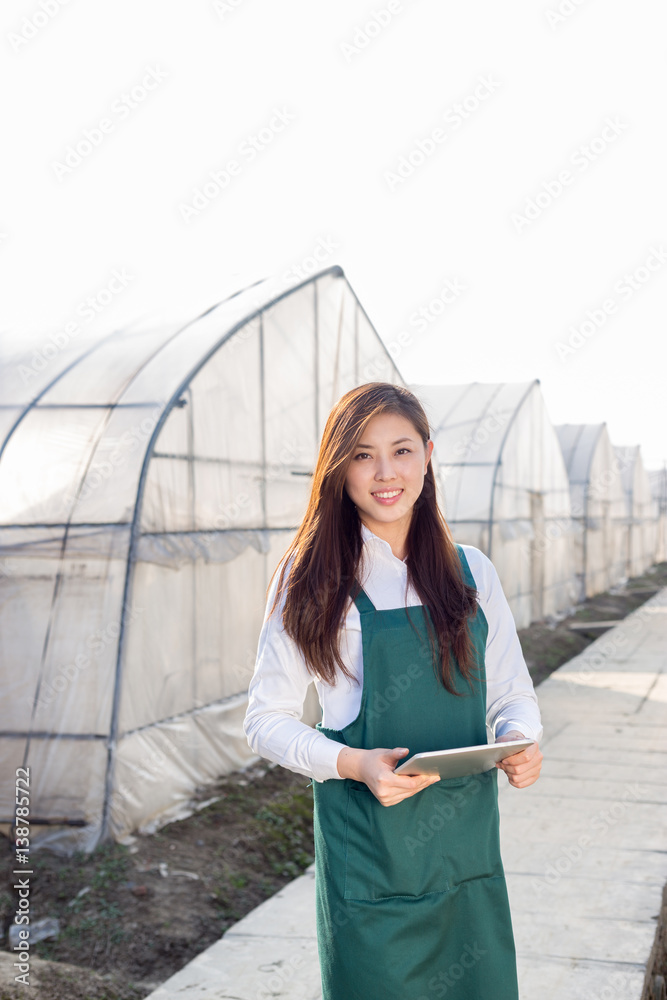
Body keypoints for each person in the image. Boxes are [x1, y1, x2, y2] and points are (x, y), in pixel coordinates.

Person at [244, 382, 543, 1000]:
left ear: (427, 456)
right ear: (338, 469)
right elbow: (265, 720)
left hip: (466, 857)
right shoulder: (311, 578)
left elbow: (511, 693)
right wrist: (352, 763)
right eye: (362, 454)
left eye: (401, 451)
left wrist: (520, 740)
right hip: (372, 859)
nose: (386, 473)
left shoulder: (471, 571)